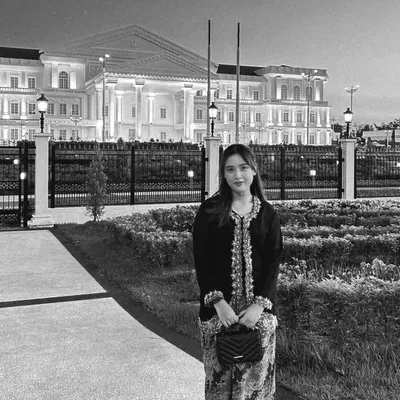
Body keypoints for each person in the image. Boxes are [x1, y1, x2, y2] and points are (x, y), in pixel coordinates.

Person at [192, 144, 282, 400]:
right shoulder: (210, 211)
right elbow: (202, 260)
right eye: (230, 169)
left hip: (258, 316)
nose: (238, 175)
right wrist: (219, 304)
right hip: (219, 316)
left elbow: (273, 263)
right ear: (223, 174)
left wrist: (258, 307)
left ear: (254, 170)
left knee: (257, 386)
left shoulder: (267, 214)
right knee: (220, 385)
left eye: (243, 168)